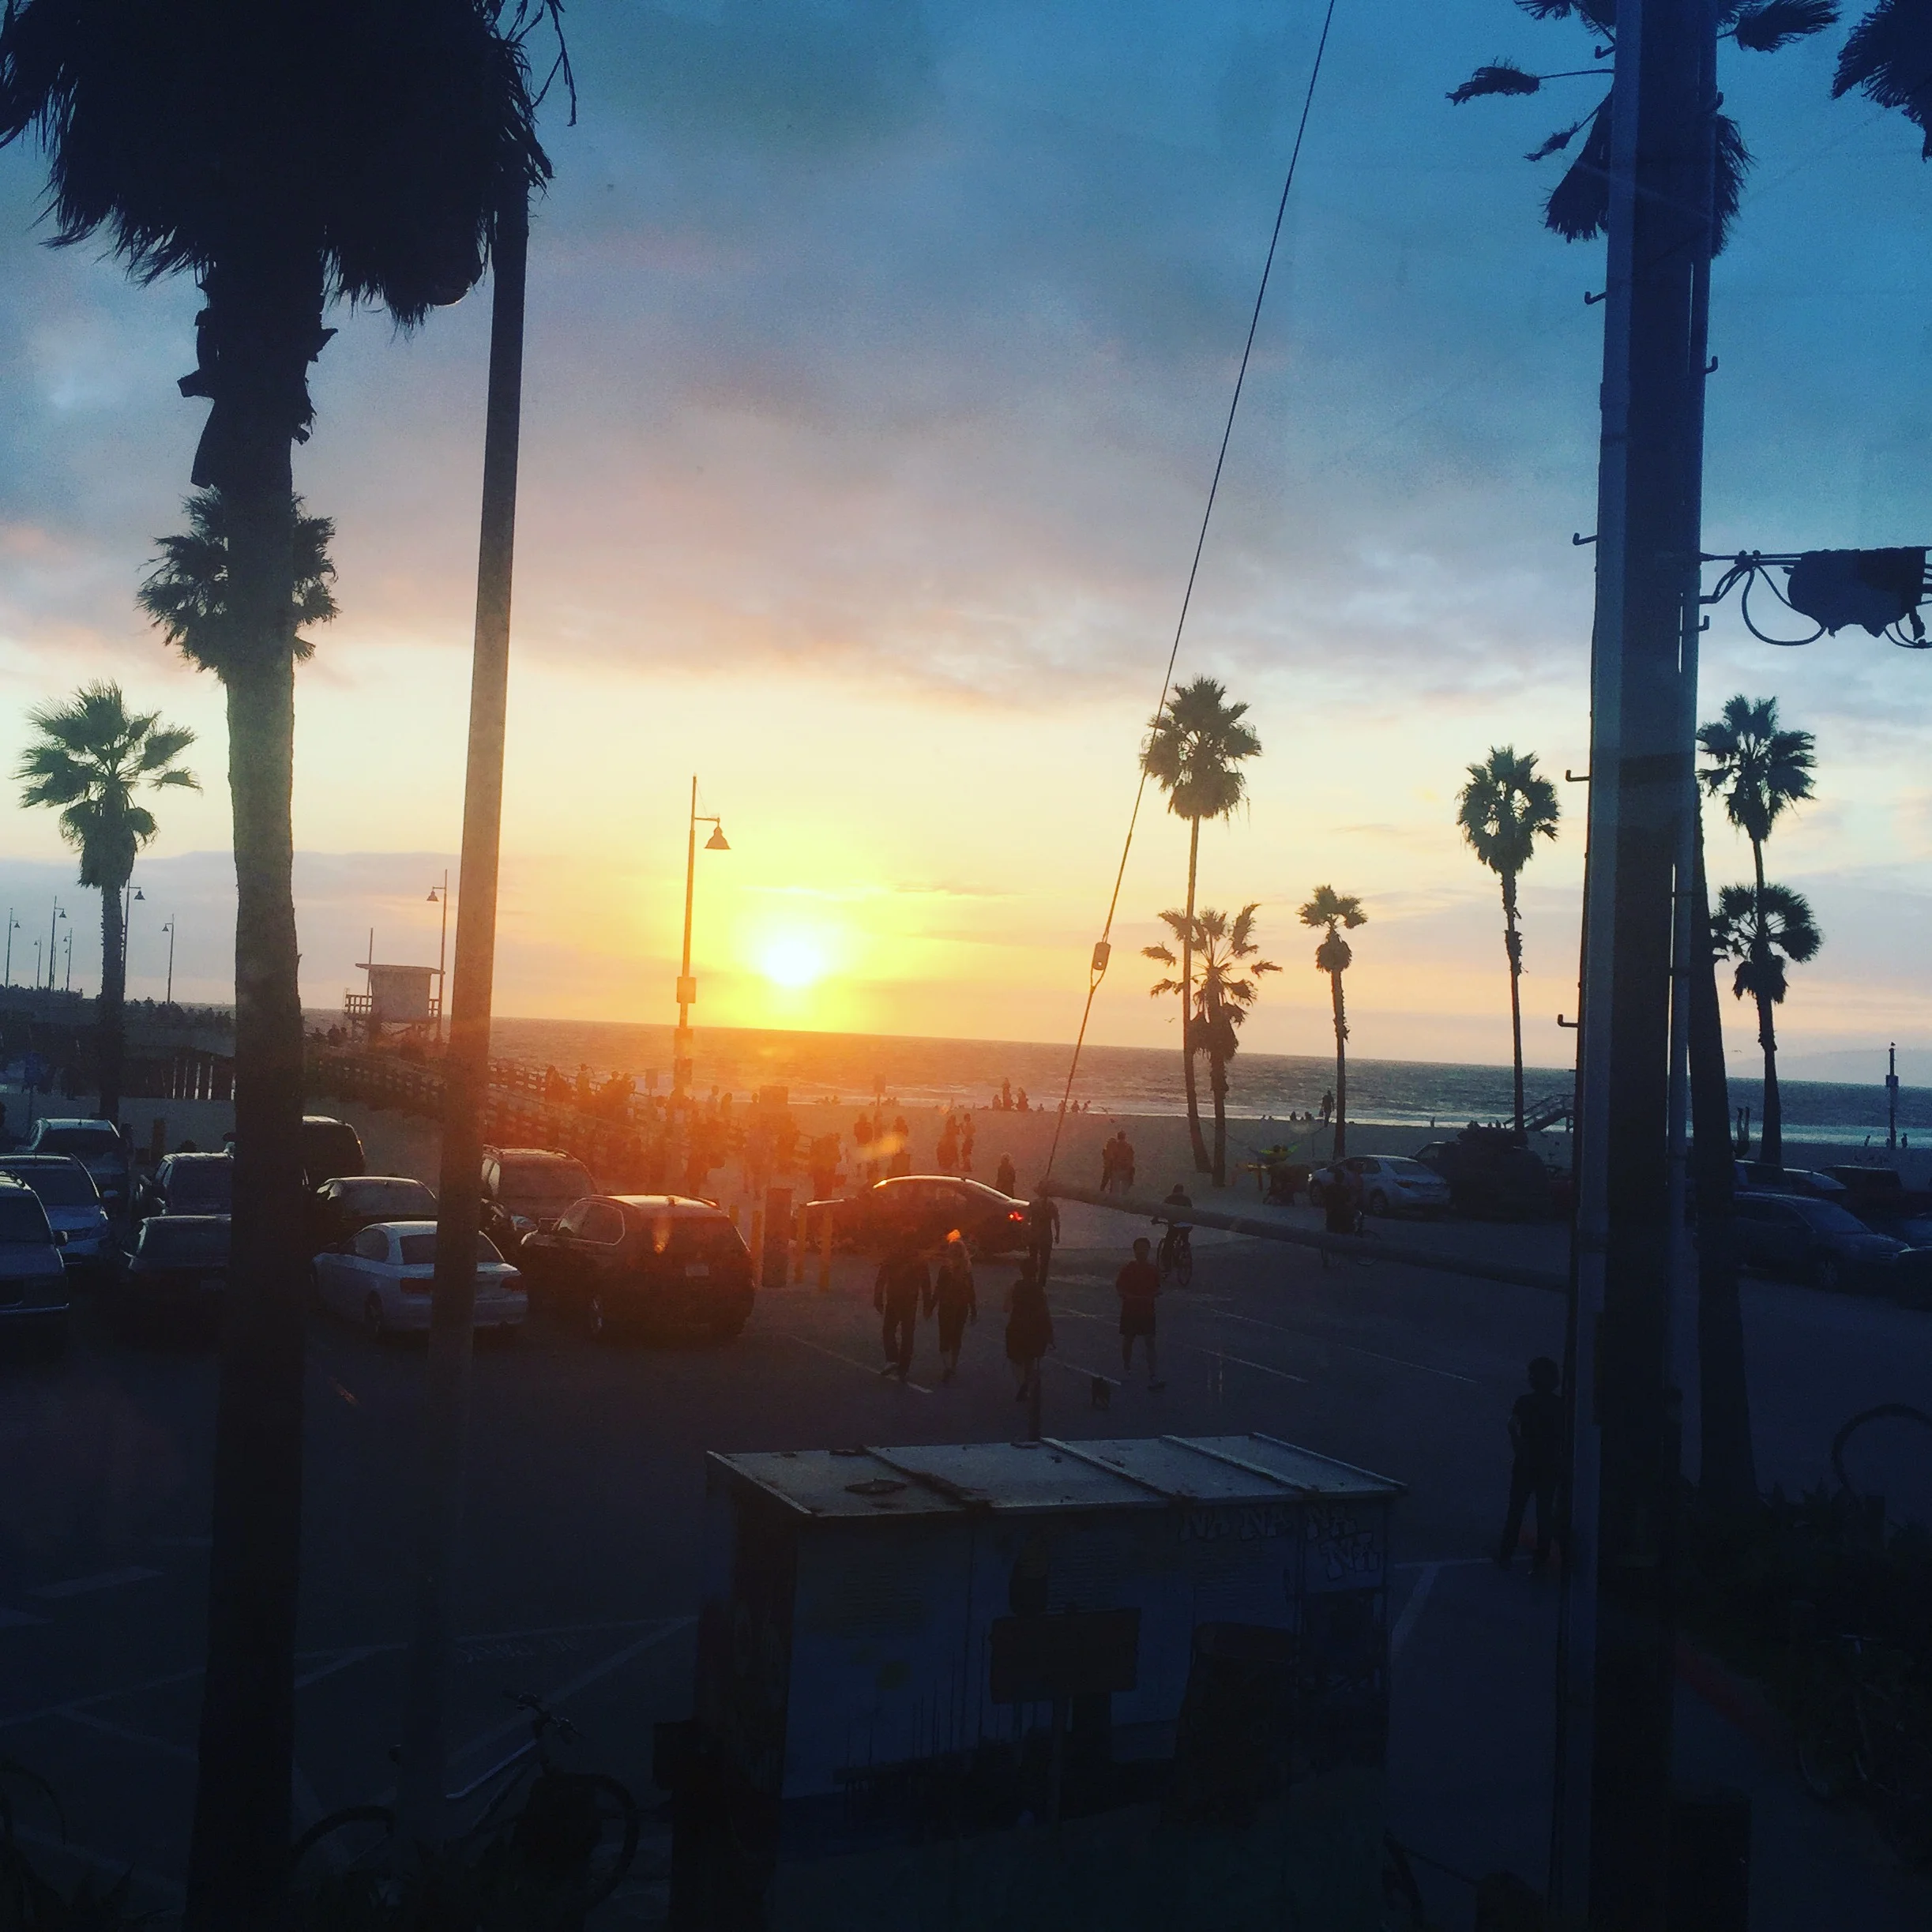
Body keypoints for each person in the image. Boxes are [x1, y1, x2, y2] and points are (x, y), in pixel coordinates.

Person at [1496, 1357, 1565, 1572]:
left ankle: (1506, 1553)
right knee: (1544, 1512)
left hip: (1526, 1462)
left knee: (1516, 1508)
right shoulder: (1559, 1405)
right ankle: (1541, 1558)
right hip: (1549, 1464)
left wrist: (1520, 1449)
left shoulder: (1524, 1402)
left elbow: (1512, 1426)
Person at [874, 1236, 930, 1381]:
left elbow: (882, 1277)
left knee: (889, 1329)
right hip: (910, 1300)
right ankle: (903, 1369)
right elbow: (926, 1283)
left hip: (894, 1297)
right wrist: (927, 1304)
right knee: (908, 1334)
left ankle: (892, 1358)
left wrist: (878, 1297)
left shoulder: (893, 1256)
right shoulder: (919, 1259)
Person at [927, 1232, 977, 1381]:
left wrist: (930, 1306)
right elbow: (971, 1291)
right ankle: (954, 1365)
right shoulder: (967, 1270)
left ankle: (947, 1366)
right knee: (957, 1336)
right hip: (962, 1306)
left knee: (945, 1338)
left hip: (947, 1306)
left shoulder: (945, 1269)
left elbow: (938, 1289)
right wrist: (973, 1310)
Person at [1115, 1237, 1164, 1390]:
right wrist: (1127, 1296)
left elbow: (1158, 1288)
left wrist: (1153, 1295)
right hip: (1131, 1310)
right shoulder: (1128, 1269)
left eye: (1145, 1249)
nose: (1142, 1252)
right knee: (1129, 1339)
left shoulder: (1153, 1270)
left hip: (1147, 1310)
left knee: (1150, 1341)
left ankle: (1153, 1374)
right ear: (1134, 1251)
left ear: (1149, 1250)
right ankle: (1127, 1368)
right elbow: (1119, 1288)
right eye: (1139, 1249)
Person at [1005, 1257, 1054, 1403]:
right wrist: (1050, 1333)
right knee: (1030, 1359)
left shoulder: (1014, 1287)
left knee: (1015, 1359)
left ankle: (1022, 1384)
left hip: (1018, 1326)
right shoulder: (1040, 1290)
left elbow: (1006, 1307)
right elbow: (1046, 1312)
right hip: (1036, 1328)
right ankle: (1029, 1384)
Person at [1027, 1190, 1060, 1284]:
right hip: (1046, 1235)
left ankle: (1032, 1278)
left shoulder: (1034, 1204)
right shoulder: (1052, 1205)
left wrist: (1026, 1233)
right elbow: (1057, 1221)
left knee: (1033, 1258)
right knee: (1045, 1260)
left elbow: (1026, 1219)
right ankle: (1042, 1281)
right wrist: (1057, 1235)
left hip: (1034, 1235)